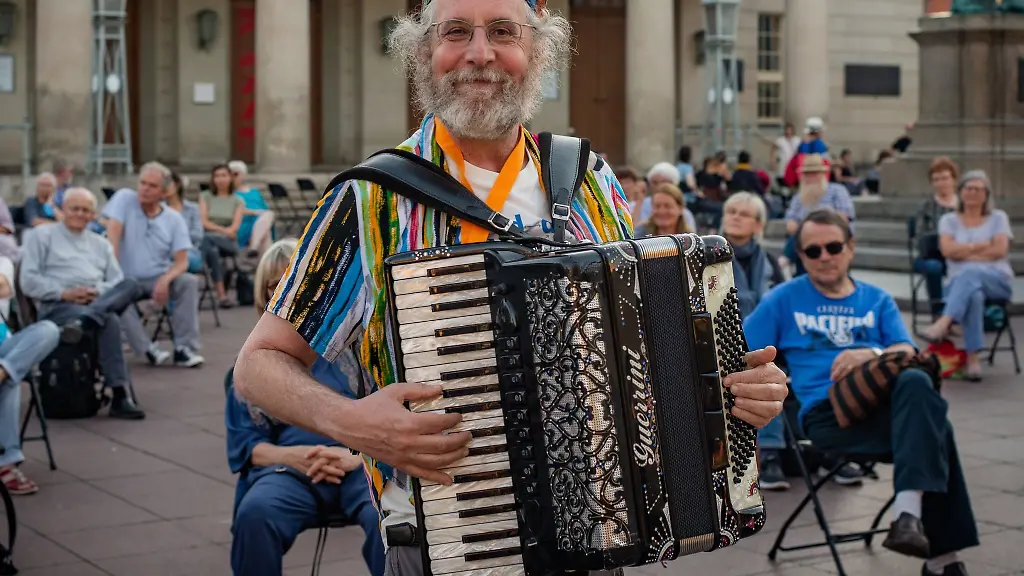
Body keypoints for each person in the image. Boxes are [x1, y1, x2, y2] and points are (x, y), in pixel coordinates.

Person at [232, 2, 790, 574]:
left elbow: (639, 353)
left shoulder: (588, 180)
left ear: (536, 53)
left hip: (601, 544)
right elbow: (258, 366)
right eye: (456, 33)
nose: (480, 53)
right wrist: (355, 423)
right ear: (424, 54)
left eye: (503, 32)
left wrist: (729, 389)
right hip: (445, 548)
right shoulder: (371, 200)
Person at [745, 210, 977, 576]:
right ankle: (935, 551)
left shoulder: (878, 300)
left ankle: (910, 518)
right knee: (936, 431)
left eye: (833, 247)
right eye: (813, 251)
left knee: (916, 383)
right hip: (828, 418)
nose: (824, 257)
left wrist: (869, 353)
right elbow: (739, 347)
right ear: (802, 257)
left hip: (886, 411)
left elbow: (907, 353)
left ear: (850, 248)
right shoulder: (783, 299)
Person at [227, 239, 384, 576]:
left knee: (389, 517)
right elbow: (246, 447)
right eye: (276, 288)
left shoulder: (361, 356)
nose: (288, 298)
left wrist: (357, 457)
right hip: (290, 470)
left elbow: (388, 419)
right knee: (256, 513)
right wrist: (297, 456)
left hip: (358, 463)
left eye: (295, 285)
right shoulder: (249, 369)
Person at [20, 188, 146, 419]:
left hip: (96, 301)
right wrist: (64, 293)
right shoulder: (41, 236)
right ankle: (119, 393)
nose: (80, 214)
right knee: (109, 319)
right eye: (74, 208)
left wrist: (95, 292)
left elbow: (116, 282)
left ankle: (85, 321)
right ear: (62, 211)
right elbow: (28, 281)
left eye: (86, 210)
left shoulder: (101, 244)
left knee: (131, 284)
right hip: (57, 306)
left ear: (93, 215)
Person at [102, 162, 205, 368]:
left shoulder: (173, 219)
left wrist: (166, 280)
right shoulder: (124, 199)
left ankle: (184, 348)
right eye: (142, 183)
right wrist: (114, 274)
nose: (145, 189)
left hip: (156, 276)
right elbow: (113, 235)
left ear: (164, 192)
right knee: (115, 292)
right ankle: (147, 349)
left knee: (187, 282)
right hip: (125, 276)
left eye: (152, 186)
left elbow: (182, 262)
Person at [920, 170, 1014, 381]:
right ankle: (973, 359)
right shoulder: (949, 220)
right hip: (958, 285)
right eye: (968, 188)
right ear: (960, 192)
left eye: (978, 189)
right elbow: (947, 252)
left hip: (997, 281)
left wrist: (964, 251)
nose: (972, 193)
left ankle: (944, 322)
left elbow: (1000, 251)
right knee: (974, 294)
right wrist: (982, 246)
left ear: (987, 193)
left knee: (969, 272)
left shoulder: (998, 218)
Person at [0, 255, 61, 494]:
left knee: (48, 330)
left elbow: (3, 288)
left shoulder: (2, 261)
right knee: (11, 380)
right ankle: (5, 463)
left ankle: (3, 370)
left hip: (6, 347)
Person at [781, 154, 855, 277]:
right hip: (806, 241)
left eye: (815, 173)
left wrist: (818, 223)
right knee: (801, 238)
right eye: (807, 174)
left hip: (832, 237)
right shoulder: (798, 198)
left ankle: (786, 258)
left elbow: (844, 218)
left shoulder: (837, 191)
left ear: (822, 174)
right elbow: (790, 223)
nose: (811, 177)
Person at [913, 157, 960, 316]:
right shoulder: (926, 207)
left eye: (945, 178)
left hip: (960, 254)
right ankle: (938, 313)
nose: (941, 183)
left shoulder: (965, 205)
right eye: (936, 179)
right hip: (931, 256)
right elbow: (919, 238)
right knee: (933, 267)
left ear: (954, 179)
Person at [200, 164, 244, 308]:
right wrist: (222, 230)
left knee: (206, 240)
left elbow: (234, 227)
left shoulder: (238, 201)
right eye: (217, 176)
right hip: (211, 240)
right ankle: (222, 296)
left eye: (223, 175)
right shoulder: (205, 196)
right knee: (212, 251)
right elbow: (204, 222)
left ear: (230, 178)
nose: (220, 179)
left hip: (228, 242)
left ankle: (199, 266)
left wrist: (220, 231)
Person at [163, 172, 210, 276]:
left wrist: (176, 237)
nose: (164, 188)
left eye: (167, 184)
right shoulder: (159, 209)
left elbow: (197, 235)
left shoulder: (193, 208)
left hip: (189, 251)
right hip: (164, 252)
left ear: (177, 185)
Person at [228, 160, 276, 259]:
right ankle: (268, 266)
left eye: (236, 174)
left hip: (260, 224)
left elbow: (264, 208)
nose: (233, 177)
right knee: (266, 230)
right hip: (243, 224)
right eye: (230, 174)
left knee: (267, 219)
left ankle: (255, 248)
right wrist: (255, 212)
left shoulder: (254, 192)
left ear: (243, 175)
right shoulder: (230, 194)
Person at [646, 162, 698, 231]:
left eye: (668, 206)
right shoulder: (641, 232)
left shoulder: (686, 217)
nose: (662, 211)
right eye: (654, 182)